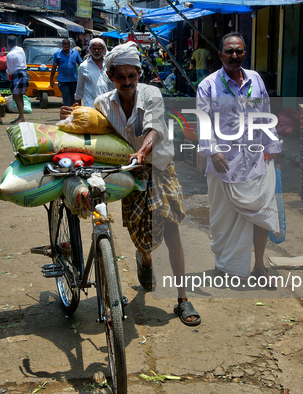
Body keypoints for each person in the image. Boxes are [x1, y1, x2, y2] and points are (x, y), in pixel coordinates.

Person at [94, 41, 201, 326]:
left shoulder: (152, 94)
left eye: (132, 76)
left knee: (171, 228)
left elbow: (155, 127)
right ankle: (146, 260)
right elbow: (94, 129)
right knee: (138, 229)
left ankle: (182, 298)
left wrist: (142, 151)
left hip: (161, 168)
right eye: (121, 77)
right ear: (111, 77)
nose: (127, 82)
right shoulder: (103, 103)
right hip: (130, 173)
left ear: (139, 74)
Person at [196, 33, 281, 283]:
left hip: (256, 161)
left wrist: (273, 145)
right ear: (220, 55)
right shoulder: (208, 85)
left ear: (245, 53)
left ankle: (259, 266)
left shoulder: (255, 79)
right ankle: (226, 266)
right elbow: (203, 123)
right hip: (224, 165)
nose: (234, 55)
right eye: (229, 51)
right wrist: (213, 150)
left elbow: (265, 114)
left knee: (261, 215)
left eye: (239, 51)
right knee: (223, 221)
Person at [59, 38, 113, 118]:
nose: (97, 51)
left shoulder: (110, 65)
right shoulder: (84, 67)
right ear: (90, 50)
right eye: (94, 49)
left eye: (99, 49)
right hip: (91, 106)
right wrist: (76, 109)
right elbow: (79, 89)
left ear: (103, 49)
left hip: (108, 106)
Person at [49, 39, 82, 107]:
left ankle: (74, 114)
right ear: (62, 46)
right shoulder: (57, 54)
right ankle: (67, 115)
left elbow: (80, 64)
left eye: (67, 47)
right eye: (65, 47)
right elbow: (54, 67)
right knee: (66, 97)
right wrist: (51, 79)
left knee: (75, 98)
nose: (66, 49)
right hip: (63, 80)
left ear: (70, 46)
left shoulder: (75, 53)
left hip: (74, 80)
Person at [5, 35, 29, 124]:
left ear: (8, 44)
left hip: (17, 75)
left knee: (16, 96)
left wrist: (5, 70)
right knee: (21, 96)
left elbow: (10, 71)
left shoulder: (9, 55)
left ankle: (22, 117)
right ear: (17, 42)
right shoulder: (21, 50)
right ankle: (20, 116)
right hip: (24, 73)